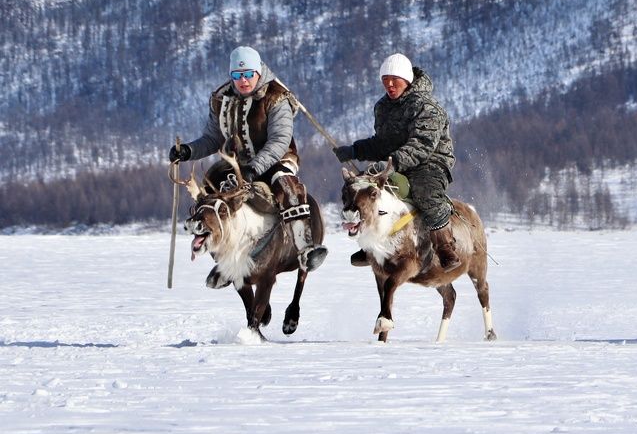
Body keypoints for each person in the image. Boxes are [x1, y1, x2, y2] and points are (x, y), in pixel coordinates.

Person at [169, 46, 328, 272]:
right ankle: (222, 255)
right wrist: (187, 151)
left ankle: (305, 249)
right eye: (237, 75)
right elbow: (212, 138)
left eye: (248, 75)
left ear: (258, 72)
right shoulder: (221, 98)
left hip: (276, 159)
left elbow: (279, 140)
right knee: (211, 188)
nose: (243, 80)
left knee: (288, 189)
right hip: (239, 163)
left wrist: (255, 168)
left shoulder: (276, 96)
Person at [335, 53, 460, 271]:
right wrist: (355, 150)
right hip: (395, 164)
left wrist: (393, 163)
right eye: (385, 80)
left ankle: (444, 246)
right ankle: (370, 244)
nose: (390, 84)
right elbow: (382, 143)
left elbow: (422, 144)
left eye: (395, 79)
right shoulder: (382, 107)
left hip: (430, 163)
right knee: (367, 189)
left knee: (425, 193)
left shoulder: (428, 107)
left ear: (407, 79)